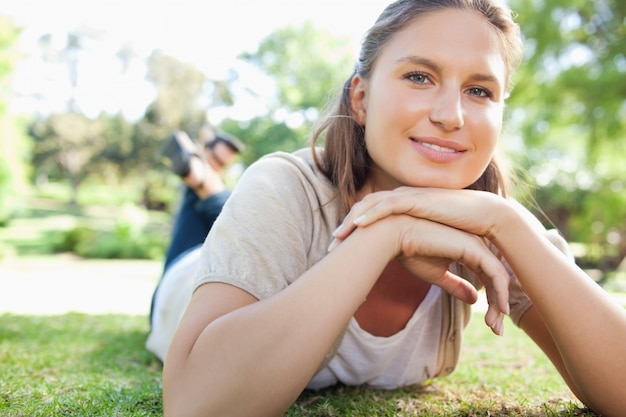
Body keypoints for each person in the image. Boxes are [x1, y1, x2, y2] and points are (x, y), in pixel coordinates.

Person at [158, 1, 626, 416]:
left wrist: (508, 223)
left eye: (479, 90)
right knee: (207, 216)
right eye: (419, 77)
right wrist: (384, 233)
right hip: (188, 277)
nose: (450, 116)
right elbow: (199, 405)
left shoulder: (493, 223)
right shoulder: (284, 185)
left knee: (216, 202)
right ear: (360, 99)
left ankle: (205, 180)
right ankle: (201, 185)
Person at [146, 127, 243, 358]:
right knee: (229, 213)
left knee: (220, 205)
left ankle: (200, 167)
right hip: (182, 284)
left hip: (172, 297)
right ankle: (201, 168)